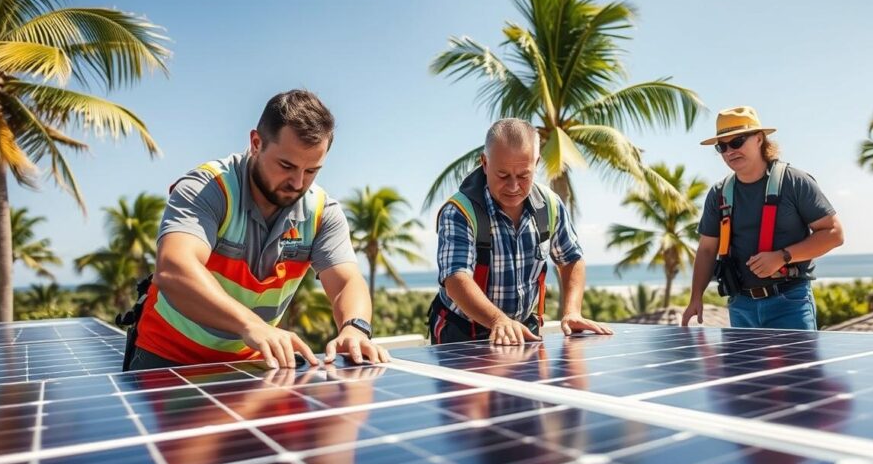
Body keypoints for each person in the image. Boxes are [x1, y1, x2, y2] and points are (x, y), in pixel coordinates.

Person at [127, 89, 389, 370]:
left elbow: (346, 282)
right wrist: (251, 325)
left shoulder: (322, 212)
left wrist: (355, 327)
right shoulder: (208, 189)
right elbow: (175, 269)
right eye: (286, 165)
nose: (298, 183)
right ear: (256, 143)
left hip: (247, 364)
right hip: (168, 358)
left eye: (312, 170)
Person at [429, 118, 613, 345]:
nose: (514, 186)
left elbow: (571, 258)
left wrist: (572, 311)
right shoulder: (459, 211)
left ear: (536, 163)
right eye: (503, 175)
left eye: (524, 175)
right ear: (485, 163)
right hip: (463, 334)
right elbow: (456, 279)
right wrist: (498, 320)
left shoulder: (550, 206)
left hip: (522, 329)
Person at [682, 106, 844, 330]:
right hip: (740, 304)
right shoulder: (719, 193)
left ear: (759, 139)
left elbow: (834, 234)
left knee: (798, 367)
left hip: (790, 302)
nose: (730, 151)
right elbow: (707, 249)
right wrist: (696, 297)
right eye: (722, 146)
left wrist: (783, 256)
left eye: (737, 142)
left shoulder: (794, 182)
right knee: (746, 366)